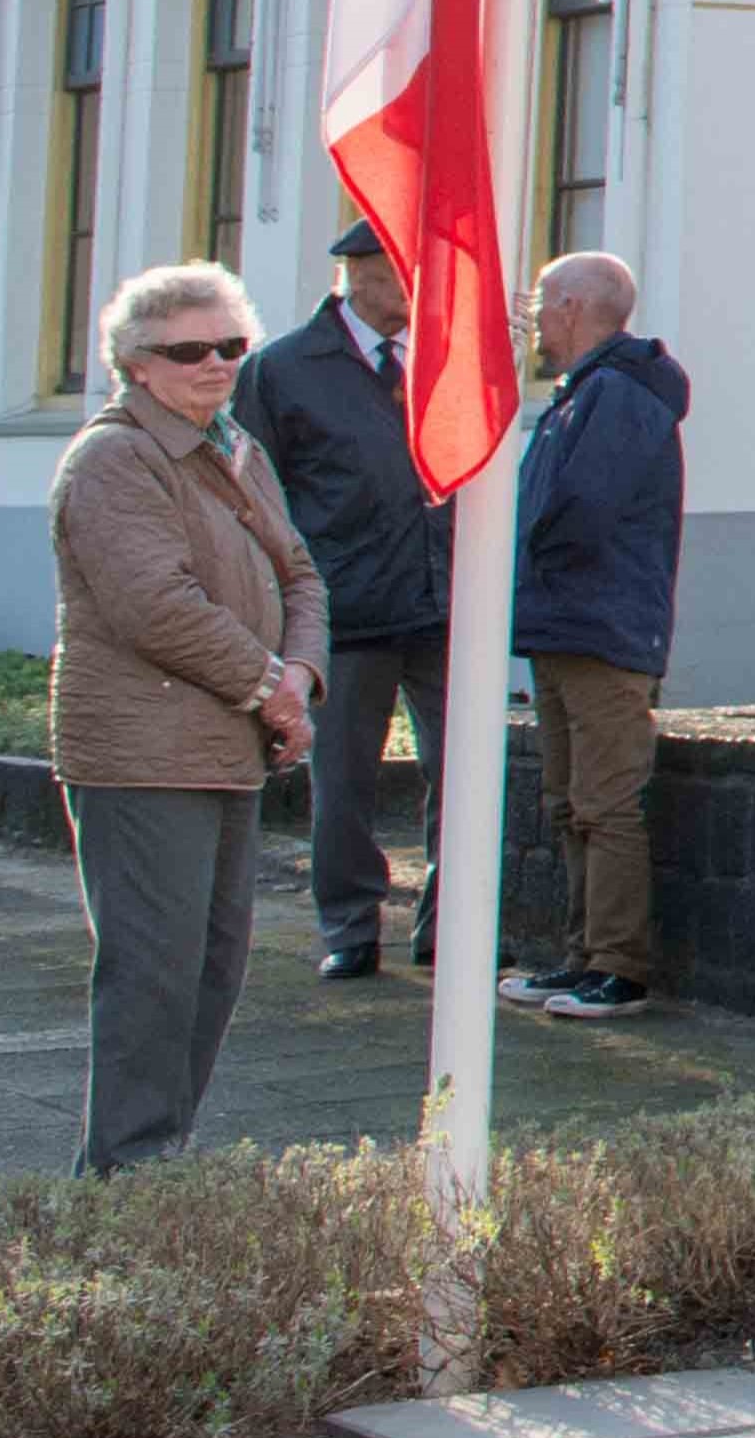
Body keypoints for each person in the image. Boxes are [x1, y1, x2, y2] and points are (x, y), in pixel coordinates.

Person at [47, 262, 324, 1173]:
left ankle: (162, 1157)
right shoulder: (113, 457)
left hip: (225, 749)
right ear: (135, 362)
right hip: (141, 753)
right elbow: (154, 605)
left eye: (232, 346)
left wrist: (304, 672)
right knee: (152, 974)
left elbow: (302, 575)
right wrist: (270, 687)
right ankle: (126, 1171)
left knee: (212, 971)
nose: (217, 364)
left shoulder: (233, 448)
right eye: (189, 349)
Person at [236, 222, 452, 977]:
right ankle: (350, 926)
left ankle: (449, 926)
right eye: (401, 273)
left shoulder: (442, 355)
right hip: (346, 609)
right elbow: (252, 494)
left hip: (442, 600)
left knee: (463, 771)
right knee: (345, 779)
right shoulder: (284, 369)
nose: (417, 289)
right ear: (357, 275)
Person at [498, 251, 685, 1020]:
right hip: (564, 624)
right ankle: (582, 955)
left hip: (600, 630)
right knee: (569, 799)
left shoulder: (616, 395)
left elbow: (580, 506)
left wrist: (520, 558)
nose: (534, 321)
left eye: (542, 304)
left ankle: (618, 965)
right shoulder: (584, 394)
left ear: (574, 307)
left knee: (606, 802)